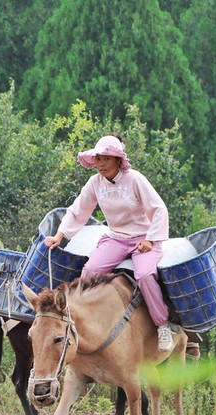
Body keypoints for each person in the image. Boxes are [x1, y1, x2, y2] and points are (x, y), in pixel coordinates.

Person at [44, 135, 174, 351]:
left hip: (144, 239)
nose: (101, 164)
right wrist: (60, 235)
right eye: (98, 159)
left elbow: (159, 209)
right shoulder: (95, 183)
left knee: (144, 276)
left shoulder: (135, 179)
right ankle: (85, 324)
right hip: (116, 237)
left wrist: (150, 239)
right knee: (89, 272)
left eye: (106, 159)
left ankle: (162, 326)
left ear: (118, 160)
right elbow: (79, 209)